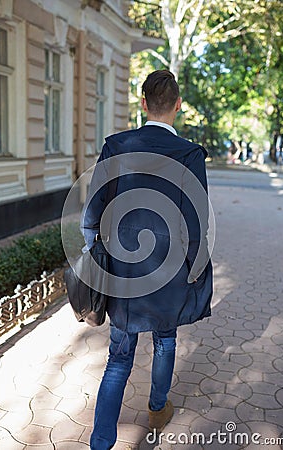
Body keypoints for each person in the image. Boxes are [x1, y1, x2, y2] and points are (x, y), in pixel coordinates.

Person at [81, 70, 213, 450]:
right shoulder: (189, 154)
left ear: (142, 103)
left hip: (124, 270)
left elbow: (93, 213)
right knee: (165, 340)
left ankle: (101, 442)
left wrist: (99, 258)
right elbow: (197, 223)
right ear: (178, 105)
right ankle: (157, 407)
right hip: (169, 271)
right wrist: (196, 270)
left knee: (118, 359)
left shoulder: (117, 146)